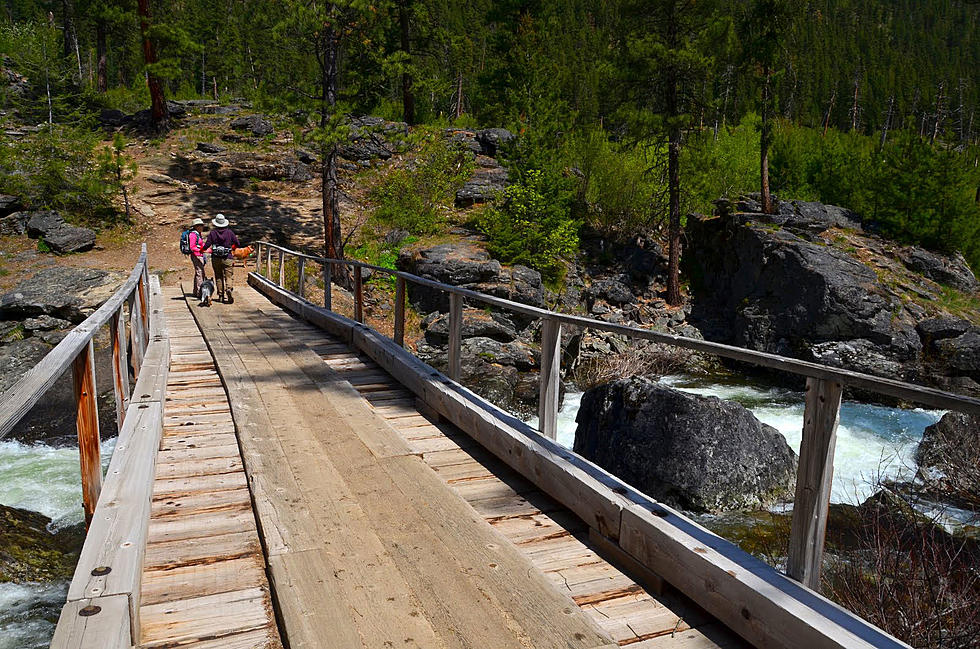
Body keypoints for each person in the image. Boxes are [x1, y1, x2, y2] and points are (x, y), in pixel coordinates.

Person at [202, 213, 241, 303]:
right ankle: (229, 289)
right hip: (227, 257)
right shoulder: (229, 232)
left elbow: (207, 244)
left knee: (218, 276)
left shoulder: (213, 233)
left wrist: (202, 250)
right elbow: (238, 243)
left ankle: (220, 296)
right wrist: (232, 247)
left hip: (216, 258)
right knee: (229, 276)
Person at [188, 218, 208, 297]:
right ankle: (200, 293)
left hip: (199, 255)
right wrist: (202, 250)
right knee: (200, 273)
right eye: (200, 225)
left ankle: (196, 291)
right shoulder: (193, 235)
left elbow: (200, 244)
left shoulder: (198, 233)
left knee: (198, 272)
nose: (202, 227)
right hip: (196, 256)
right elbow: (192, 247)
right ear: (196, 226)